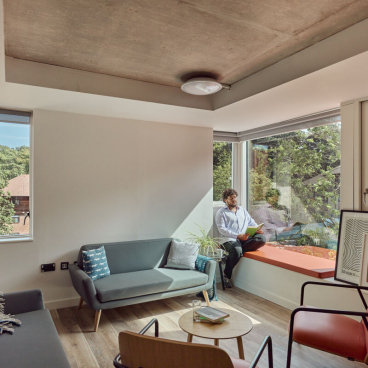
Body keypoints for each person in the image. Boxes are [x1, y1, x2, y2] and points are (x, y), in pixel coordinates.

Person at [215, 188, 266, 288]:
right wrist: (238, 236)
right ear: (225, 200)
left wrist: (257, 229)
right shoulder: (221, 212)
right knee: (237, 250)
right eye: (231, 198)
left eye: (235, 197)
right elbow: (222, 229)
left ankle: (231, 255)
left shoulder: (242, 210)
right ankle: (226, 275)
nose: (234, 200)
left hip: (244, 238)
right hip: (229, 239)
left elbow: (251, 222)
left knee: (261, 239)